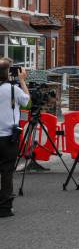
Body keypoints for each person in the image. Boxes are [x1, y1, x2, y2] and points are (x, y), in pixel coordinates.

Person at [0, 59, 30, 217]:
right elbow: (27, 102)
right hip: (8, 138)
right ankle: (4, 208)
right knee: (6, 172)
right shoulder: (13, 90)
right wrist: (22, 81)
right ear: (7, 74)